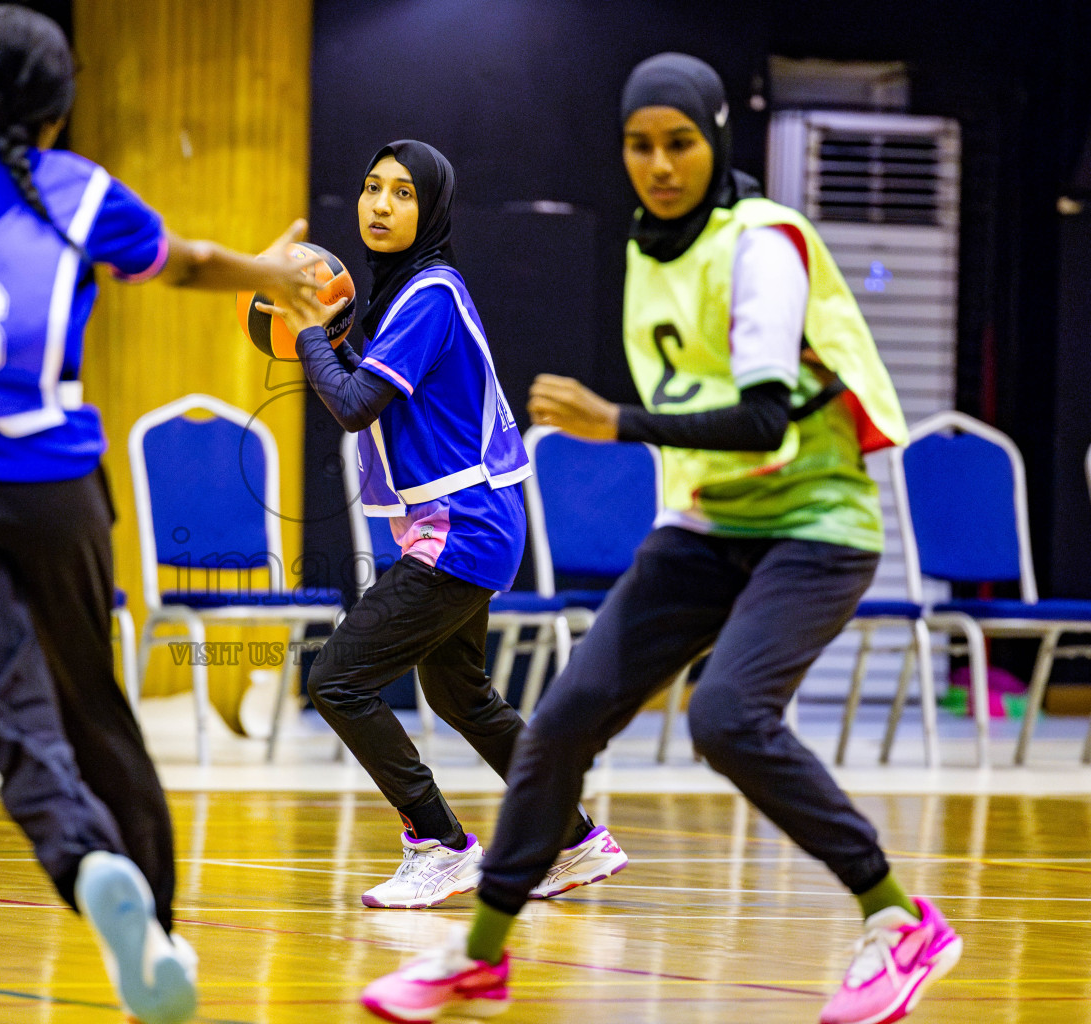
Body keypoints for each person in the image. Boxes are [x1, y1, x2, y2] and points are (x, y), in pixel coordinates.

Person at [361, 54, 962, 1024]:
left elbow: (765, 418)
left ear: (716, 138)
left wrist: (617, 423)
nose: (659, 164)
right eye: (639, 145)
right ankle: (478, 955)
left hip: (814, 525)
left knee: (725, 715)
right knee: (559, 722)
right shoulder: (651, 248)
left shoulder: (762, 241)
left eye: (678, 143)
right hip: (709, 524)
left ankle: (898, 920)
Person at [0, 8, 320, 1024]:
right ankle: (158, 924)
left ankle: (90, 859)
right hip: (48, 487)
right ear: (61, 103)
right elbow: (182, 262)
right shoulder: (80, 191)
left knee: (13, 713)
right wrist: (270, 271)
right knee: (92, 703)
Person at [258, 140, 626, 911]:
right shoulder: (408, 297)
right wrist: (328, 337)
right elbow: (362, 380)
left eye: (401, 192)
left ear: (431, 209)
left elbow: (356, 403)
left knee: (336, 680)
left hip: (462, 529)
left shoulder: (429, 294)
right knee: (462, 696)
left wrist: (305, 337)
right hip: (469, 524)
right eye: (370, 188)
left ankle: (440, 843)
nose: (380, 203)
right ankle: (574, 838)